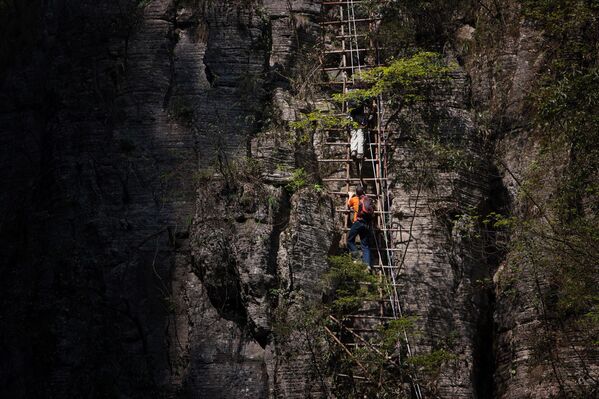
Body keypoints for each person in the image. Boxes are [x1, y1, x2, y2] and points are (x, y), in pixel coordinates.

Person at [346, 185, 372, 267]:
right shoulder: (367, 199)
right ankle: (367, 265)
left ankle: (357, 258)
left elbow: (348, 205)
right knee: (365, 246)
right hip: (366, 224)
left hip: (358, 222)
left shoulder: (355, 199)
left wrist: (350, 195)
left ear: (356, 193)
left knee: (350, 240)